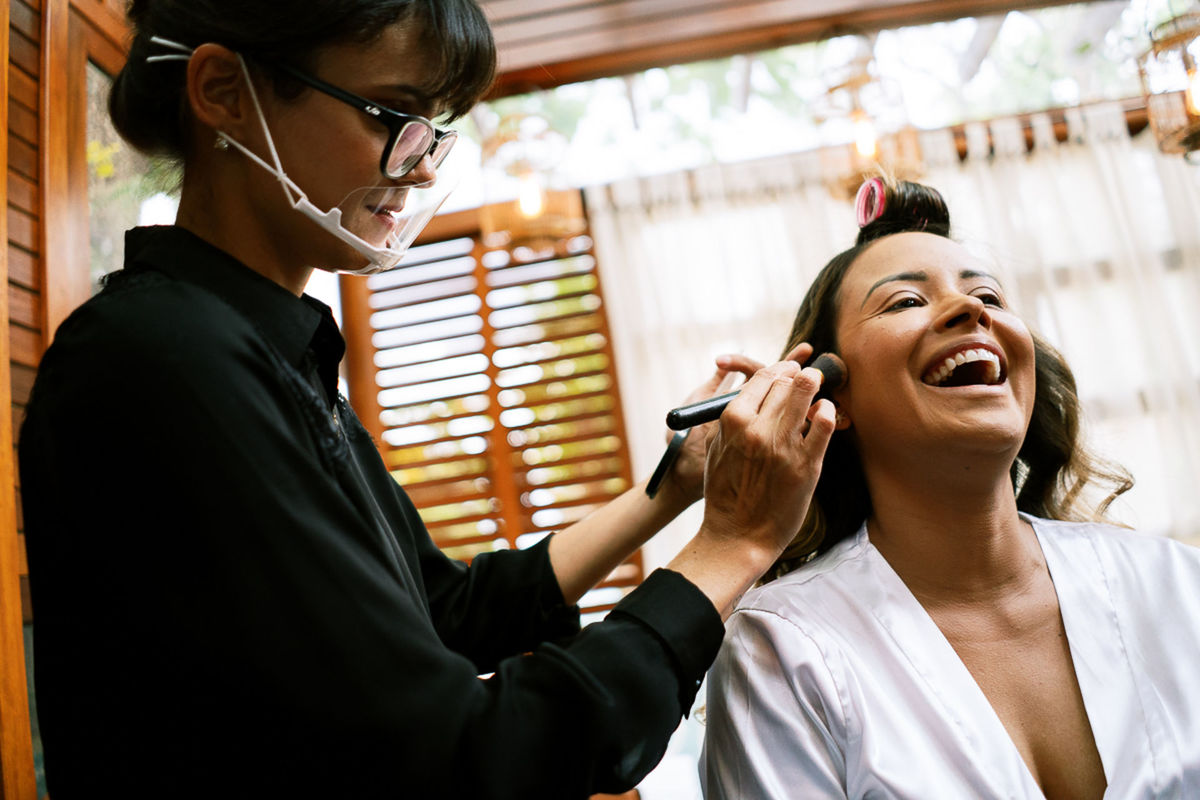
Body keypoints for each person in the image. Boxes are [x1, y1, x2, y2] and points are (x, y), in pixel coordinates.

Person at [17, 1, 839, 797]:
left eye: (436, 130)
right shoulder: (162, 360)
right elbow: (460, 760)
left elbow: (448, 611)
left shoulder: (267, 354)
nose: (421, 165)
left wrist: (675, 485)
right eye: (390, 115)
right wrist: (733, 544)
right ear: (223, 92)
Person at [700, 177, 1200, 799]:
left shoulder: (1178, 584)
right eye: (906, 301)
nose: (972, 311)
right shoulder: (782, 649)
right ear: (830, 395)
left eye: (986, 293)